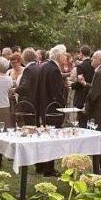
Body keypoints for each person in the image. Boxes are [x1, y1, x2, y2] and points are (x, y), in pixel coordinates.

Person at [37, 44, 68, 175]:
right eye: (64, 54)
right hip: (53, 108)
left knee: (44, 137)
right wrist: (63, 104)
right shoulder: (54, 69)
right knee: (52, 138)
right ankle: (49, 169)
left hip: (43, 106)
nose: (66, 57)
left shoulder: (44, 65)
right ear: (59, 56)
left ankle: (40, 166)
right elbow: (56, 92)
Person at [71, 45, 95, 126]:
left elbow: (80, 83)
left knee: (82, 120)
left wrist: (72, 85)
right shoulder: (94, 64)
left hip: (82, 95)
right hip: (92, 92)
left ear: (81, 53)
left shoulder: (81, 66)